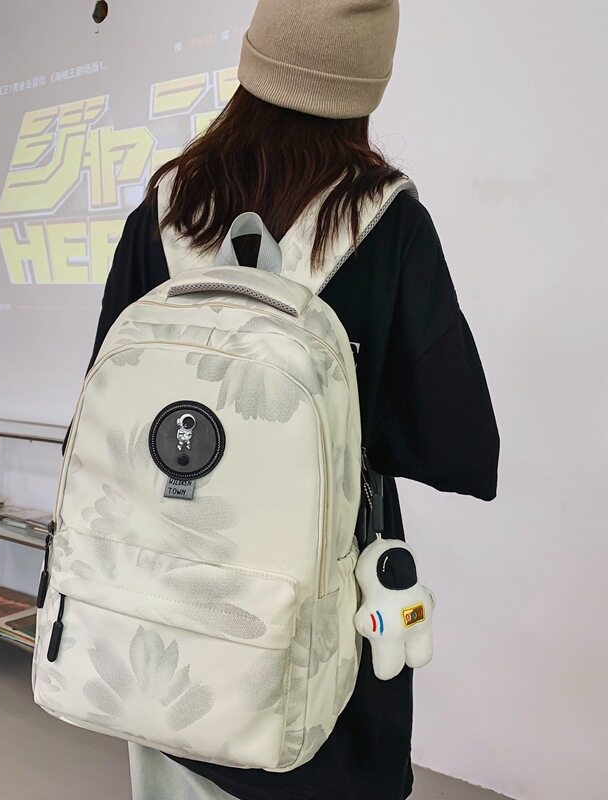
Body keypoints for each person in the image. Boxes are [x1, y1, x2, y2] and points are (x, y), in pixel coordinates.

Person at [81, 1, 500, 798]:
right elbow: (460, 449)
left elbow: (105, 413)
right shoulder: (388, 224)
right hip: (314, 650)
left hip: (165, 630)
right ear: (366, 87)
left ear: (254, 63)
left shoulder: (167, 209)